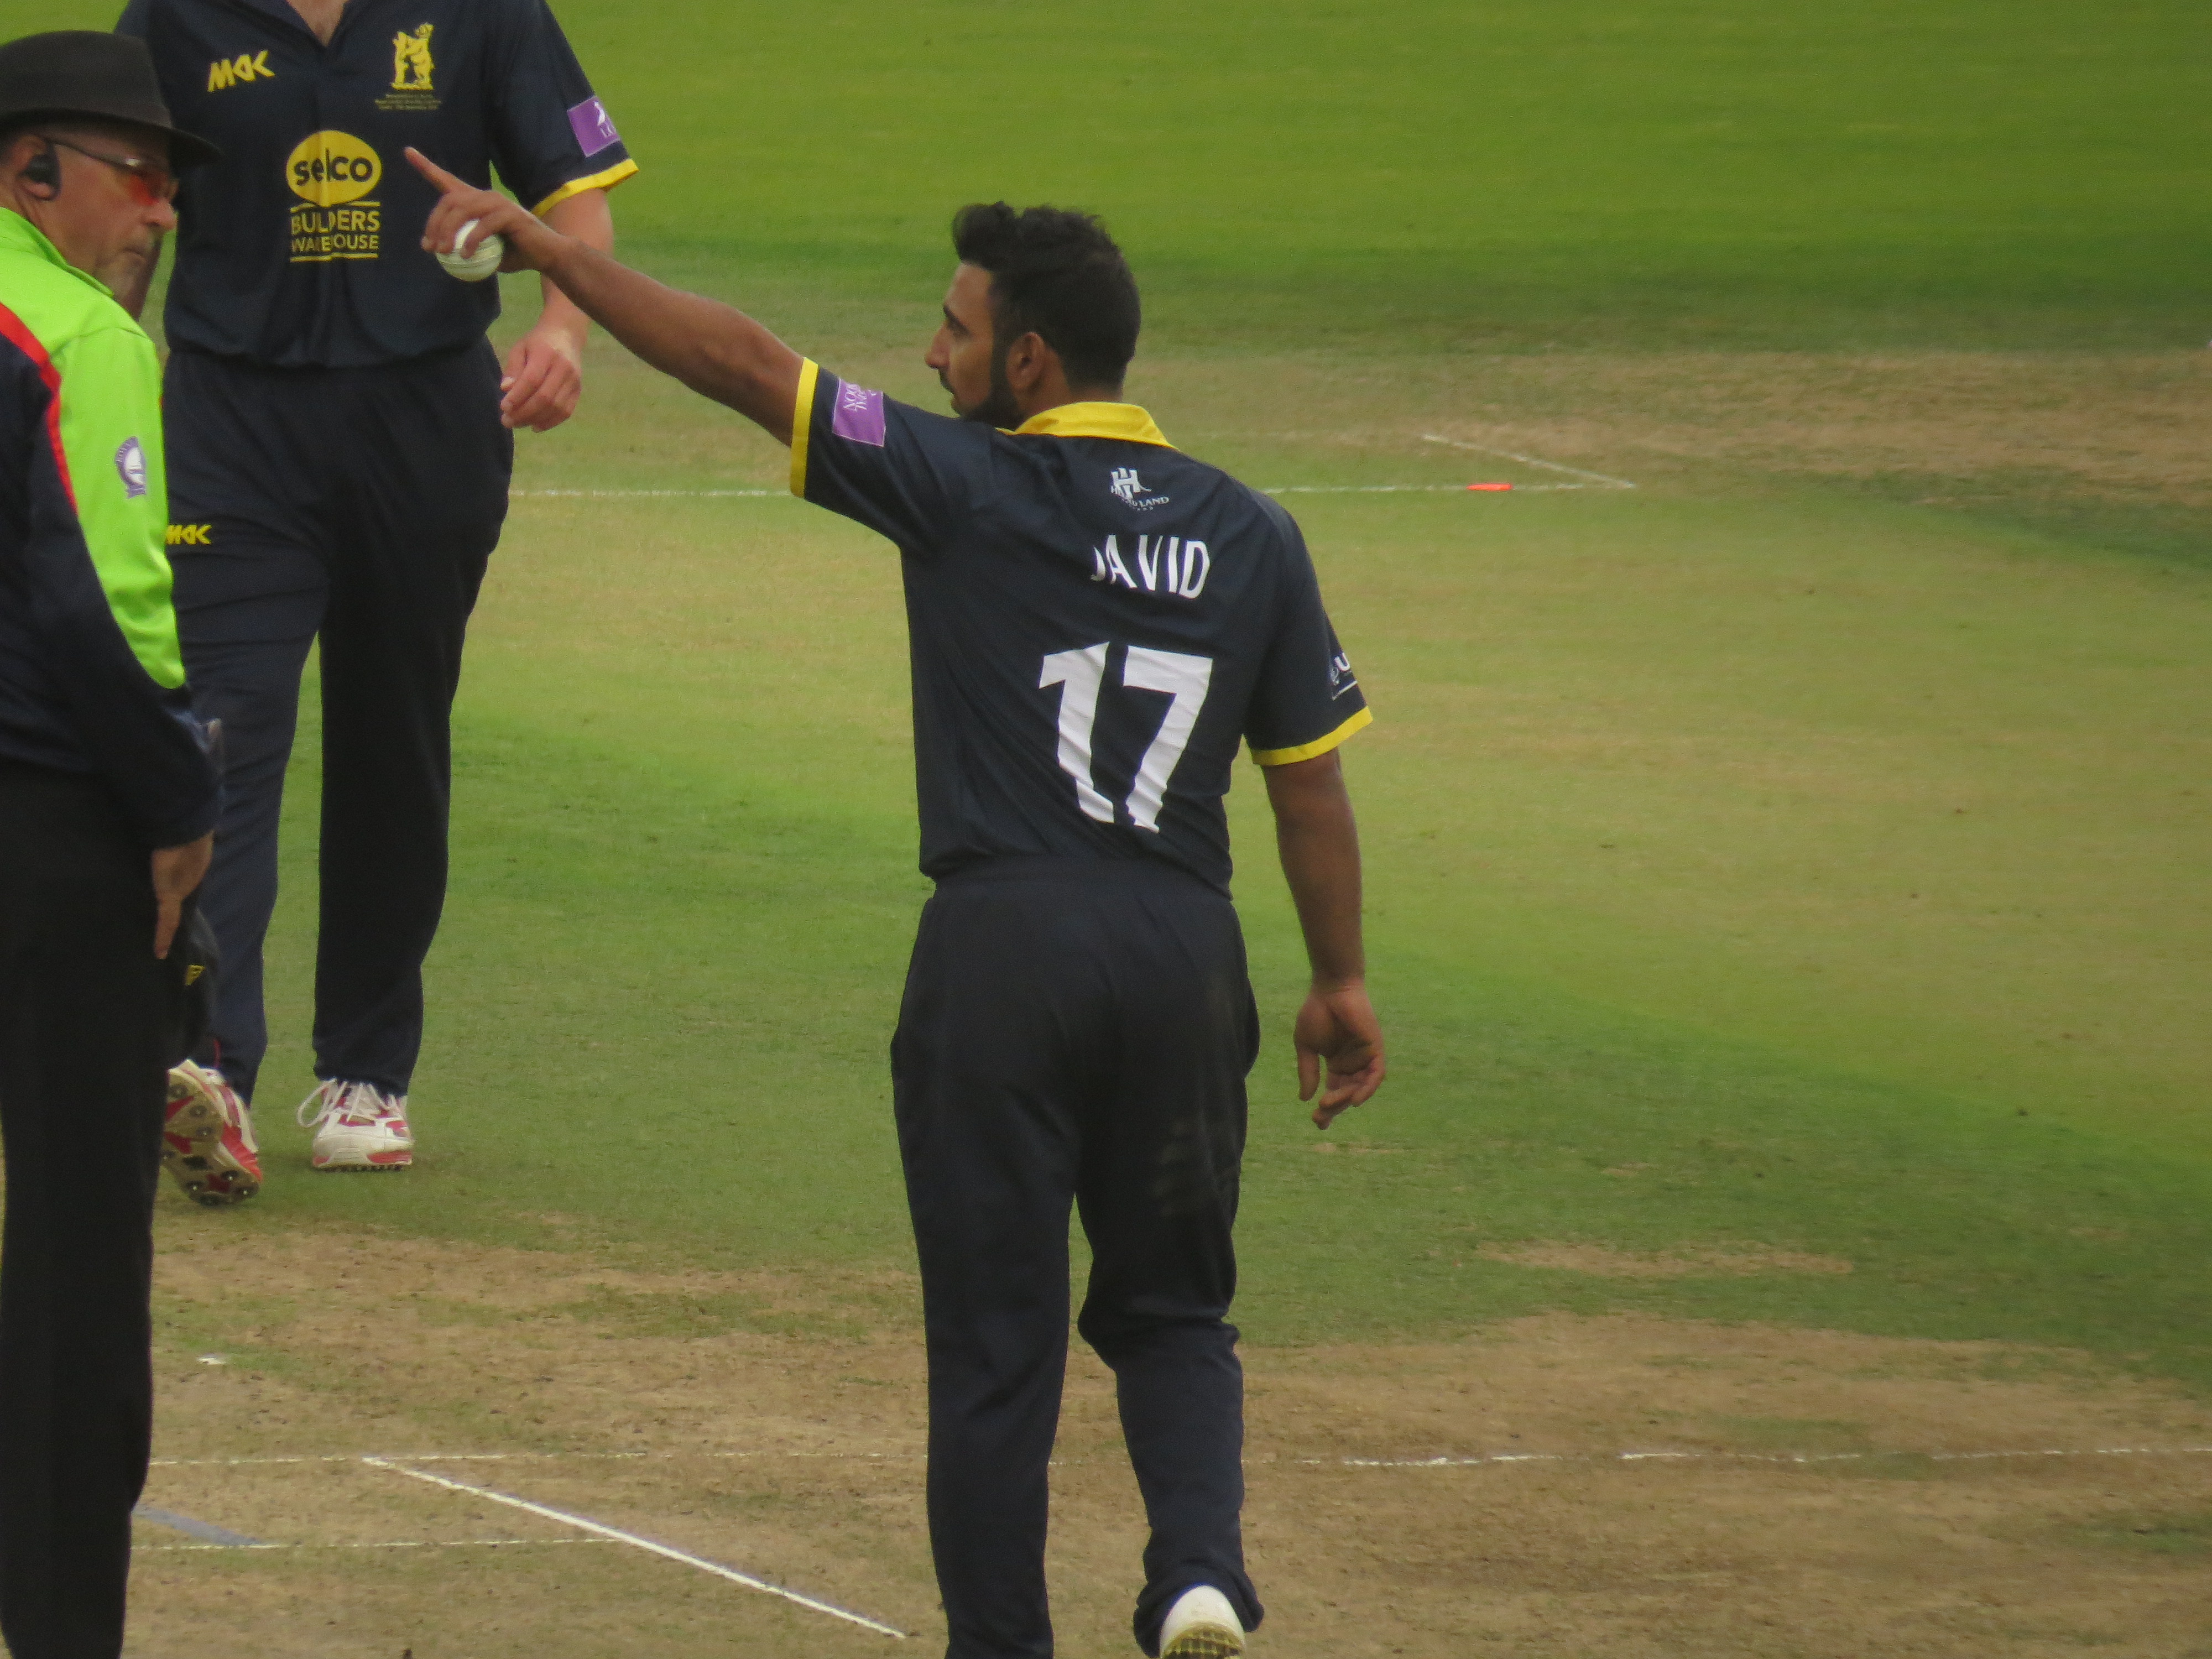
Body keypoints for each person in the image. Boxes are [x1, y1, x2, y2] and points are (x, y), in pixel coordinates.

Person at [409, 150, 1389, 1659]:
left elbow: (741, 364)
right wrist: (1339, 981)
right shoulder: (1255, 532)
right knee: (1176, 1313)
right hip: (1184, 958)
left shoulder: (965, 482)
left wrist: (557, 252)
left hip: (1006, 952)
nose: (932, 357)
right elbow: (1309, 790)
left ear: (1030, 360)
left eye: (954, 328)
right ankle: (1198, 1573)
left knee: (997, 1347)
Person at [117, 0, 637, 1187]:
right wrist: (103, 359)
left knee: (391, 742)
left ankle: (366, 1071)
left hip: (425, 416)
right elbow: (129, 203)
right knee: (222, 736)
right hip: (231, 421)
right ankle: (208, 1069)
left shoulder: (484, 14)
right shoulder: (176, 16)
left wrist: (565, 330)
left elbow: (577, 197)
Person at [0, 29, 224, 1656]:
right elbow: (106, 608)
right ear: (32, 170)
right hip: (53, 841)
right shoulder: (80, 334)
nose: (160, 212)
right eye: (137, 177)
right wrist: (181, 807)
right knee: (81, 1258)